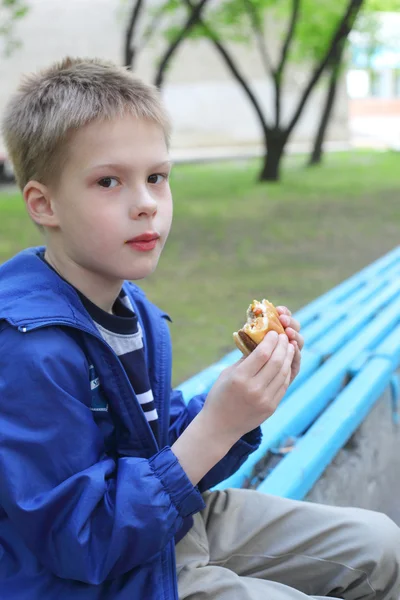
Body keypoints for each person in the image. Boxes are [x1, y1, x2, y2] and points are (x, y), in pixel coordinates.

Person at [0, 57, 398, 600]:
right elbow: (83, 541)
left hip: (167, 527)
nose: (146, 204)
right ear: (44, 204)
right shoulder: (27, 349)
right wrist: (216, 427)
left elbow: (154, 444)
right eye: (109, 181)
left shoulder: (131, 308)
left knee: (382, 544)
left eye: (157, 178)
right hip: (97, 579)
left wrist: (244, 397)